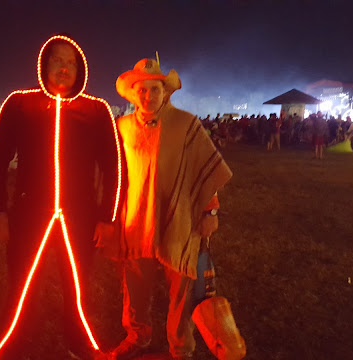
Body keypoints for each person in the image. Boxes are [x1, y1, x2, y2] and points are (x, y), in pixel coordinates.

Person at [0, 34, 121, 360]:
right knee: (22, 288)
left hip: (80, 216)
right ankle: (10, 349)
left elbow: (113, 166)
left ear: (80, 70)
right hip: (29, 213)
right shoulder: (19, 103)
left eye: (72, 62)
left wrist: (107, 218)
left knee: (78, 288)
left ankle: (80, 344)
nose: (64, 68)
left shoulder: (96, 109)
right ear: (45, 64)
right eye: (58, 60)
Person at [100, 59, 233, 360]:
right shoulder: (120, 128)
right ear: (134, 94)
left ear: (166, 92)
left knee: (182, 289)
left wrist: (210, 211)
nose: (149, 96)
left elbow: (204, 168)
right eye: (143, 90)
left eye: (155, 89)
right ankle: (137, 336)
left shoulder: (186, 125)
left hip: (180, 219)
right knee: (135, 284)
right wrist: (105, 218)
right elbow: (110, 176)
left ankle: (180, 347)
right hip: (135, 219)